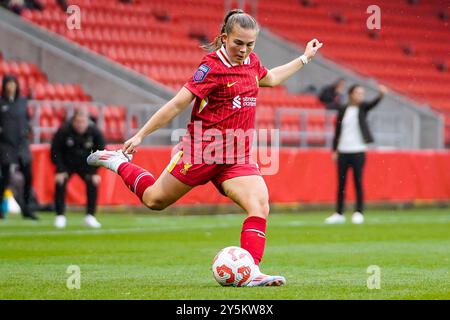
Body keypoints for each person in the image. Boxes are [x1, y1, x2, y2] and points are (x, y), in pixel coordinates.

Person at [87, 9, 323, 286]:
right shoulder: (211, 67)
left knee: (259, 205)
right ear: (225, 38)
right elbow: (177, 103)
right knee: (154, 200)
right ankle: (117, 162)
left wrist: (305, 58)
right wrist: (140, 135)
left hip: (236, 156)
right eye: (238, 43)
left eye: (250, 45)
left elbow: (270, 78)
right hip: (202, 151)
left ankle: (250, 271)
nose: (244, 50)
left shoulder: (251, 62)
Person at [325, 84, 387, 225]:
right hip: (343, 151)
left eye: (362, 93)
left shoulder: (363, 108)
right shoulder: (343, 109)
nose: (360, 96)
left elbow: (372, 104)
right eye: (358, 93)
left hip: (358, 151)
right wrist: (334, 149)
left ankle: (358, 212)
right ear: (351, 94)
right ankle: (339, 213)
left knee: (358, 182)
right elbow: (337, 131)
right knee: (341, 183)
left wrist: (381, 95)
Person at [51, 109, 105, 228]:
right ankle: (60, 215)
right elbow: (55, 151)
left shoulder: (95, 133)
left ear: (87, 122)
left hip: (86, 164)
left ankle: (90, 216)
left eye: (83, 122)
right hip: (66, 163)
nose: (80, 125)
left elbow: (100, 152)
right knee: (60, 182)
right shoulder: (63, 131)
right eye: (78, 122)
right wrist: (60, 170)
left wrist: (94, 171)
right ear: (73, 122)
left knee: (93, 182)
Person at [0, 74, 38, 220]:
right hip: (5, 146)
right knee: (5, 178)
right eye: (8, 84)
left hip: (22, 146)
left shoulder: (22, 102)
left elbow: (26, 120)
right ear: (4, 86)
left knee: (28, 176)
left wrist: (28, 131)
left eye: (13, 84)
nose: (11, 87)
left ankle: (27, 208)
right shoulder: (1, 102)